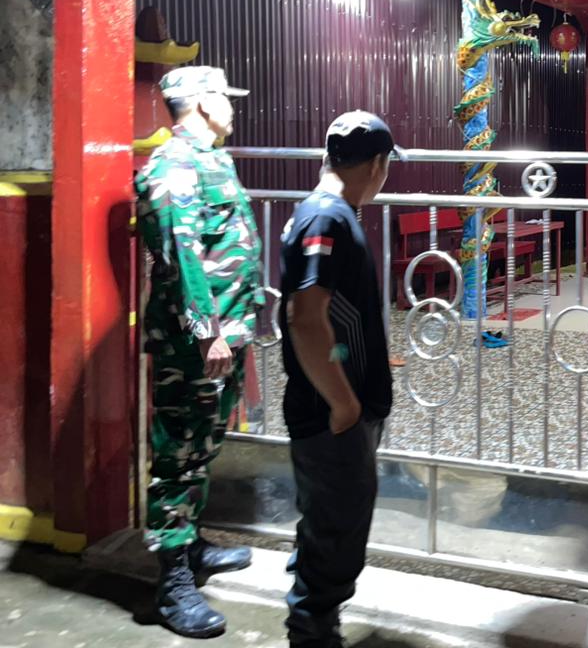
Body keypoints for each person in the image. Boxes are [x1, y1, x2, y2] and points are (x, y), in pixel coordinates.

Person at [134, 65, 262, 639]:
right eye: (225, 98)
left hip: (224, 336)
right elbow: (179, 255)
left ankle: (192, 545)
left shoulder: (211, 158)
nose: (232, 107)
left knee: (204, 445)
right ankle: (172, 583)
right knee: (177, 454)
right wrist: (207, 331)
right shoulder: (172, 166)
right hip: (194, 343)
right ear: (204, 103)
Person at [278, 111, 400, 648]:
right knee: (337, 526)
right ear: (375, 165)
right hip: (330, 412)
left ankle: (314, 616)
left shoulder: (329, 212)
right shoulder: (326, 218)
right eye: (386, 165)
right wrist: (345, 404)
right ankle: (312, 631)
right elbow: (305, 318)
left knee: (328, 520)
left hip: (334, 405)